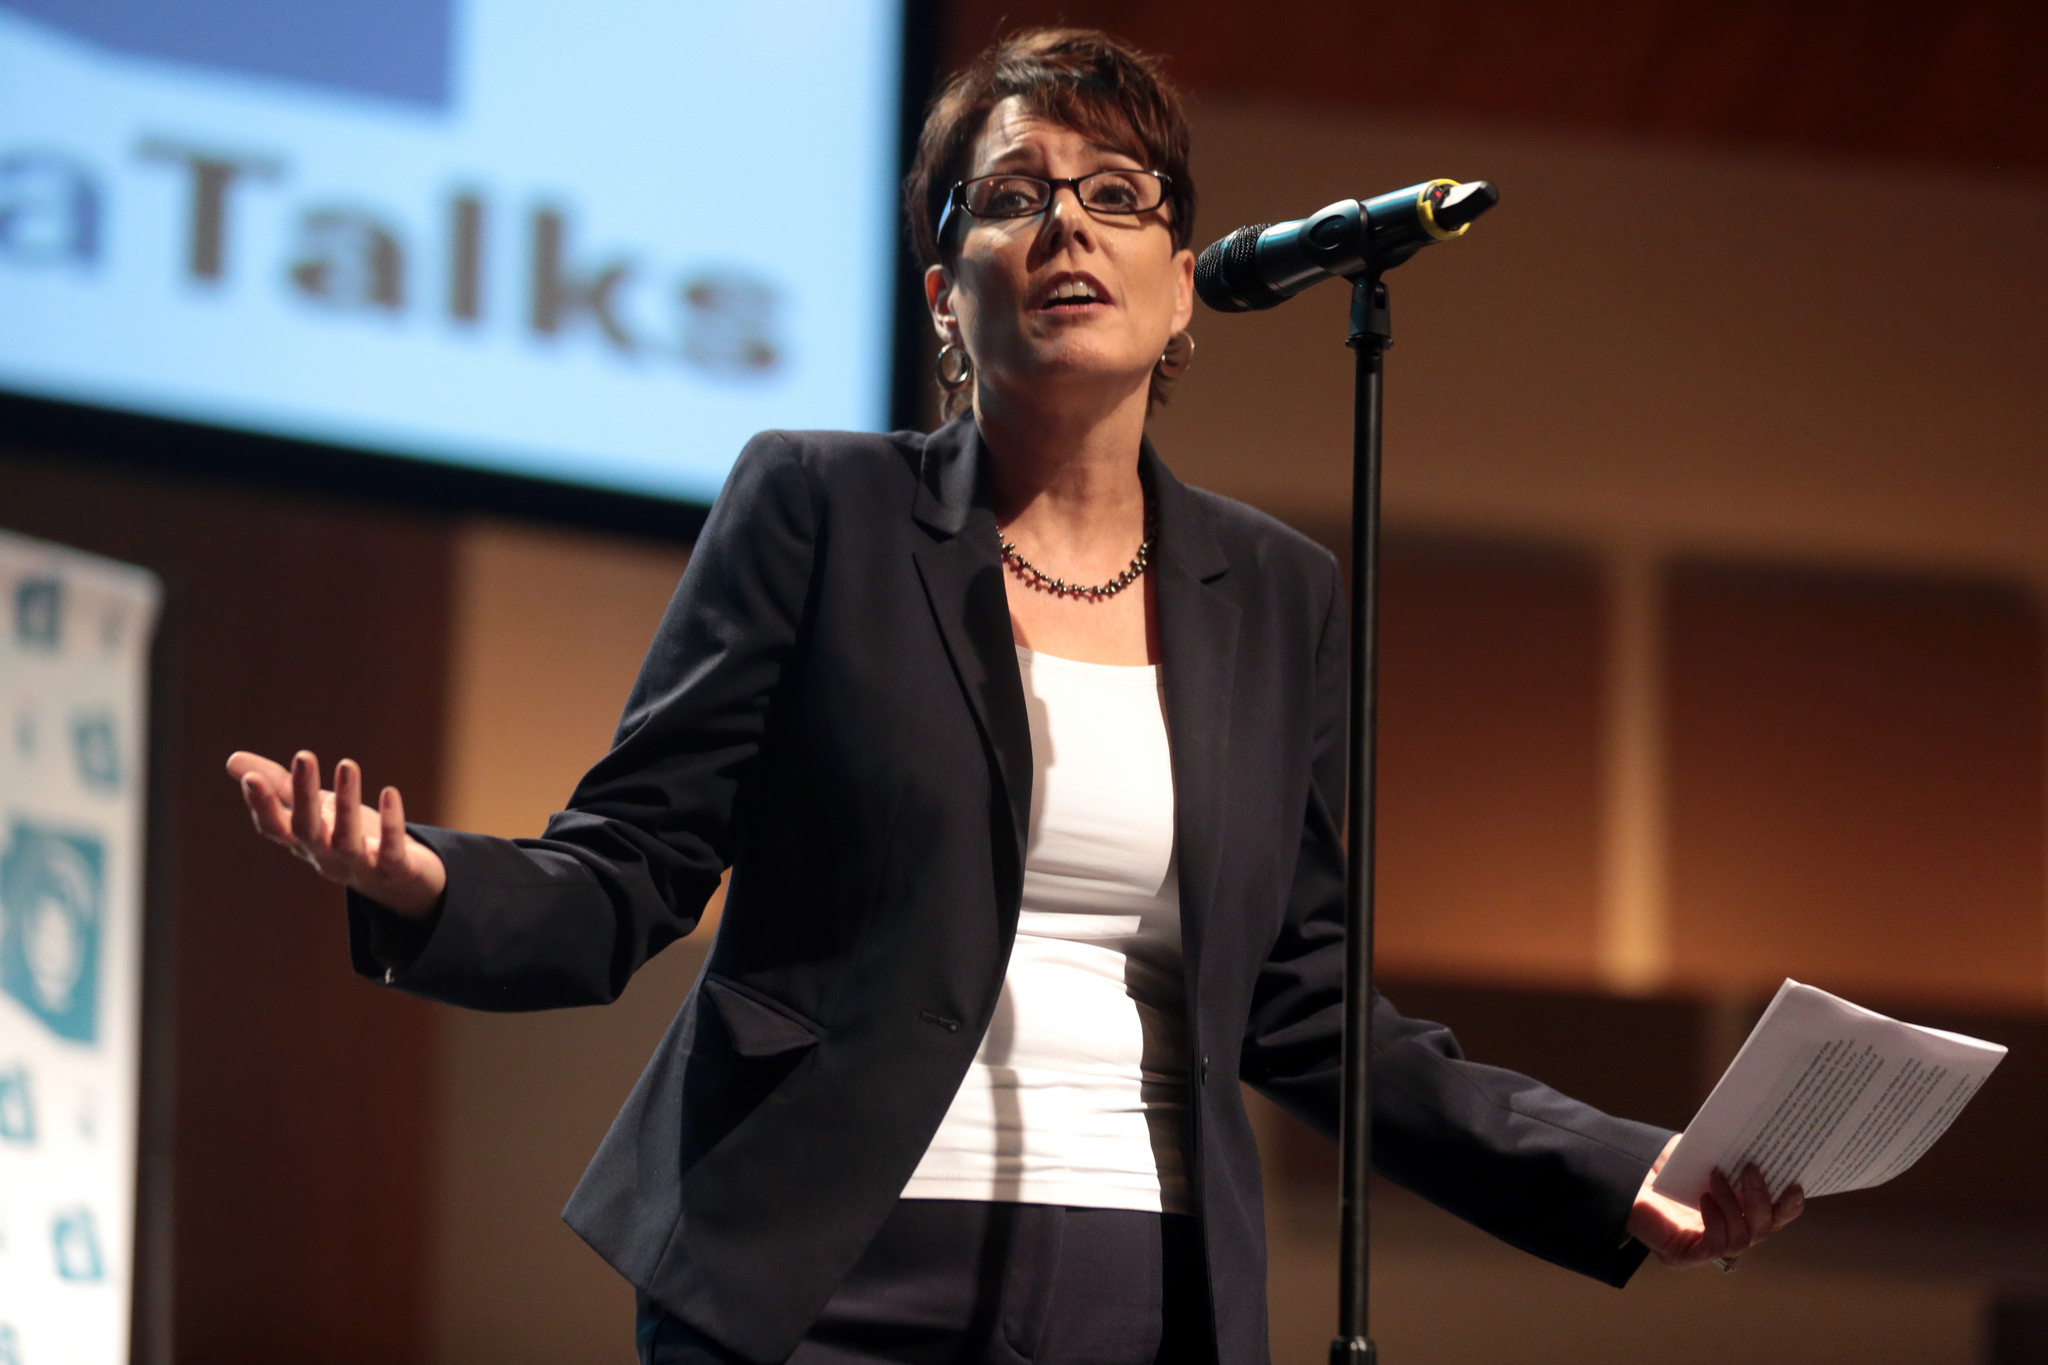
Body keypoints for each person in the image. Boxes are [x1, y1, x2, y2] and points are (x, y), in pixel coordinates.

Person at [227, 28, 1801, 1365]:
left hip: (1147, 1278)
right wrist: (426, 881)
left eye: (1118, 196)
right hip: (826, 1263)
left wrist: (1613, 1164)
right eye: (1014, 196)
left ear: (1184, 288)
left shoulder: (1275, 596)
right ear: (940, 291)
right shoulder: (818, 510)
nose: (1068, 226)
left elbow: (1308, 1002)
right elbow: (629, 869)